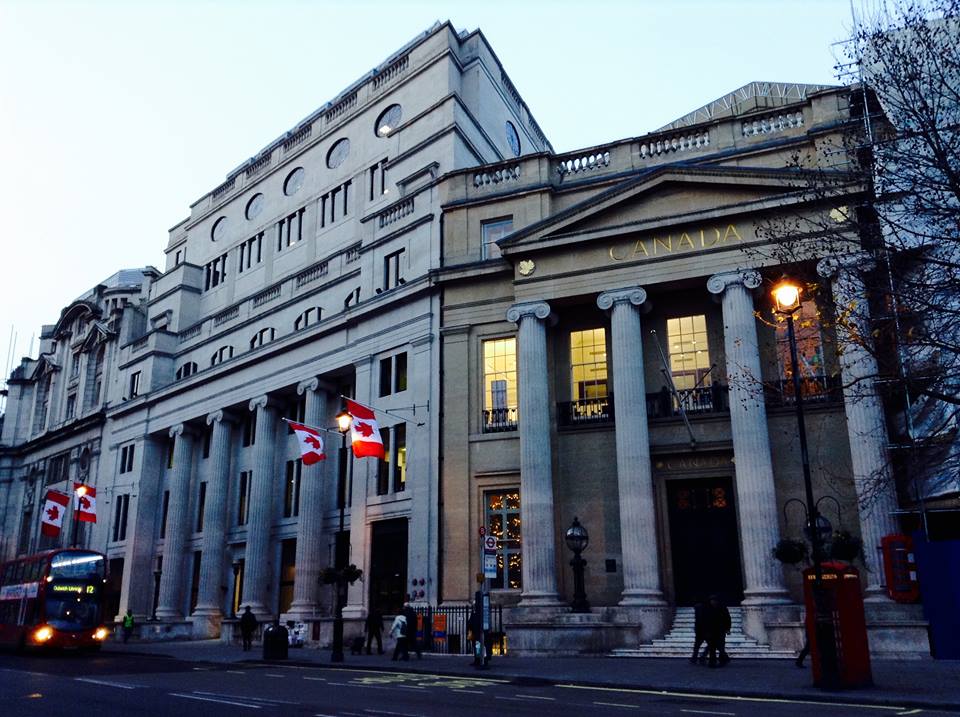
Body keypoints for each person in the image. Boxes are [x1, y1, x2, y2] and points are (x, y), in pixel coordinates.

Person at [704, 594, 731, 668]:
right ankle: (712, 662)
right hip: (711, 631)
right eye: (712, 600)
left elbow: (727, 619)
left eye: (714, 600)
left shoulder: (723, 608)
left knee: (721, 646)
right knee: (712, 648)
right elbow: (704, 620)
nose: (713, 602)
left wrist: (728, 629)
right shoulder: (707, 609)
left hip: (720, 630)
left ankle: (722, 660)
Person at [690, 598, 707, 664]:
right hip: (703, 629)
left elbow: (698, 620)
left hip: (701, 629)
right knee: (711, 644)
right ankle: (701, 657)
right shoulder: (702, 609)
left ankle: (695, 658)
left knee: (697, 645)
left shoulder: (698, 609)